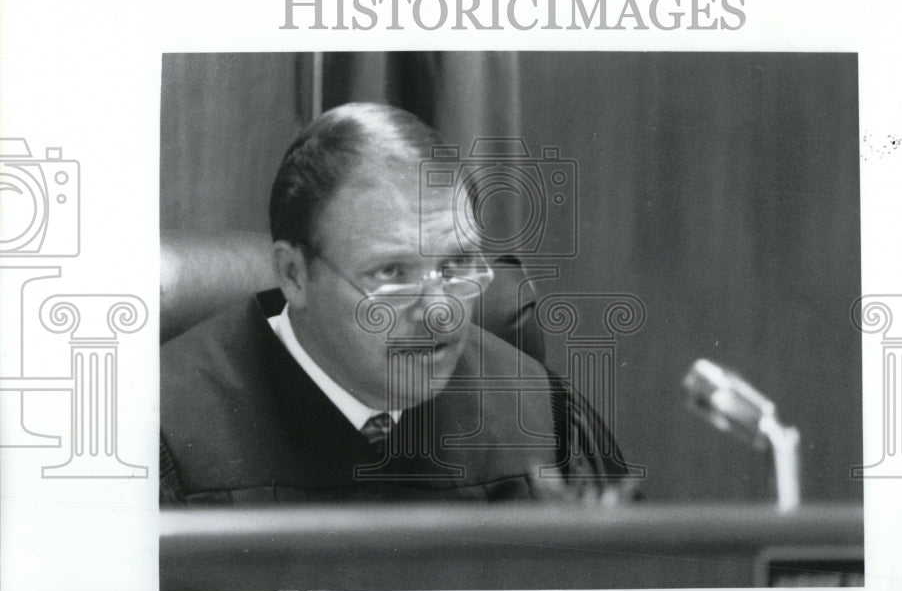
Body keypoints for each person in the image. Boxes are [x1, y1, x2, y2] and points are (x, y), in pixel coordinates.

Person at [160, 102, 636, 504]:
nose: (439, 312)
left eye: (455, 268)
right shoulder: (164, 435)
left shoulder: (541, 418)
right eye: (391, 273)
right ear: (293, 275)